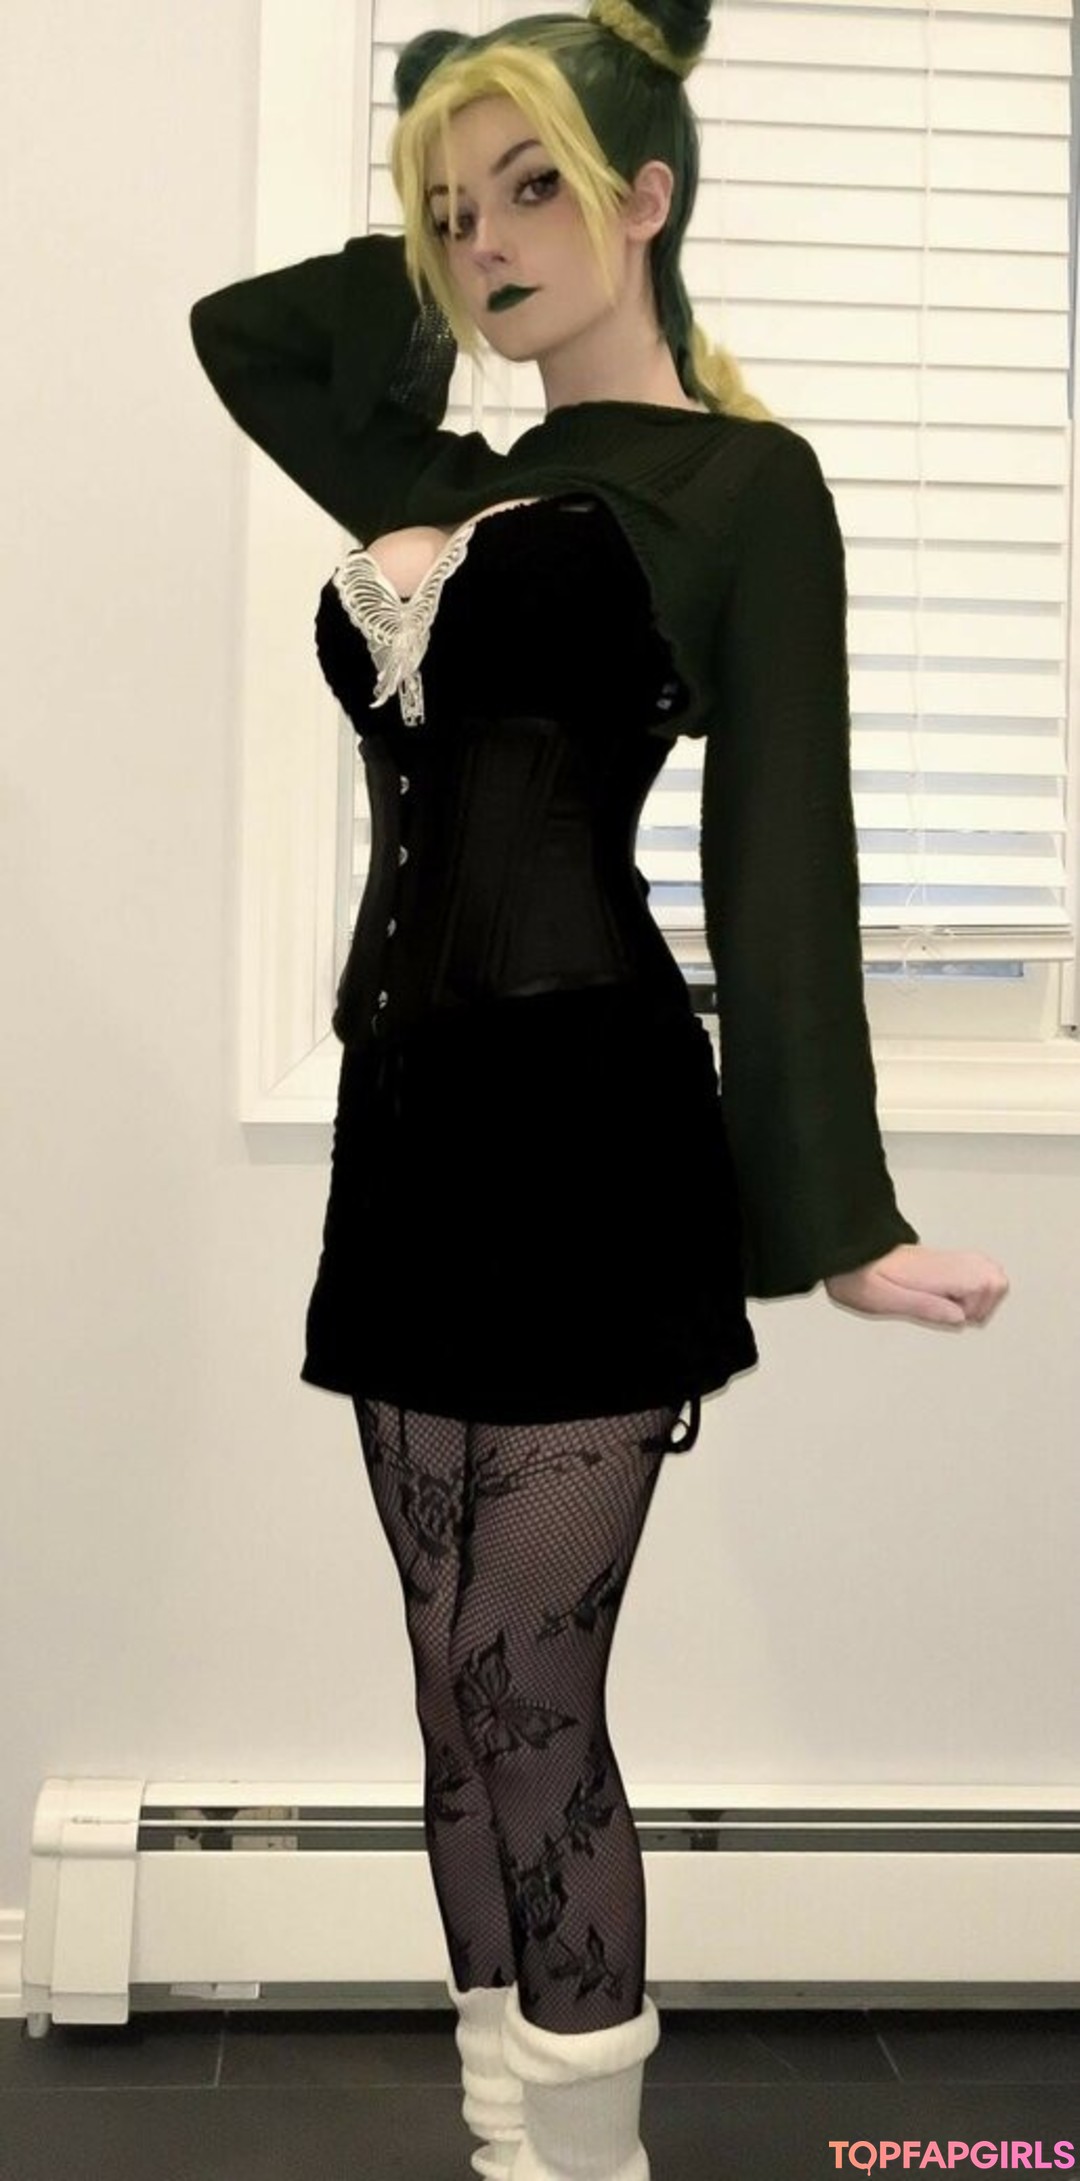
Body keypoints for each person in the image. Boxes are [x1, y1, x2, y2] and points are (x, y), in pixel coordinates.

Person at [189, 2, 1009, 2174]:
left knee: (529, 1681)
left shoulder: (745, 487)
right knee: (443, 1680)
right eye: (450, 212)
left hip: (590, 1136)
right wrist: (438, 217)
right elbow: (241, 336)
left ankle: (591, 2156)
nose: (485, 243)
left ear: (653, 196)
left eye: (535, 187)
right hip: (407, 1136)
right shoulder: (437, 478)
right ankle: (510, 2135)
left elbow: (784, 853)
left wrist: (840, 1220)